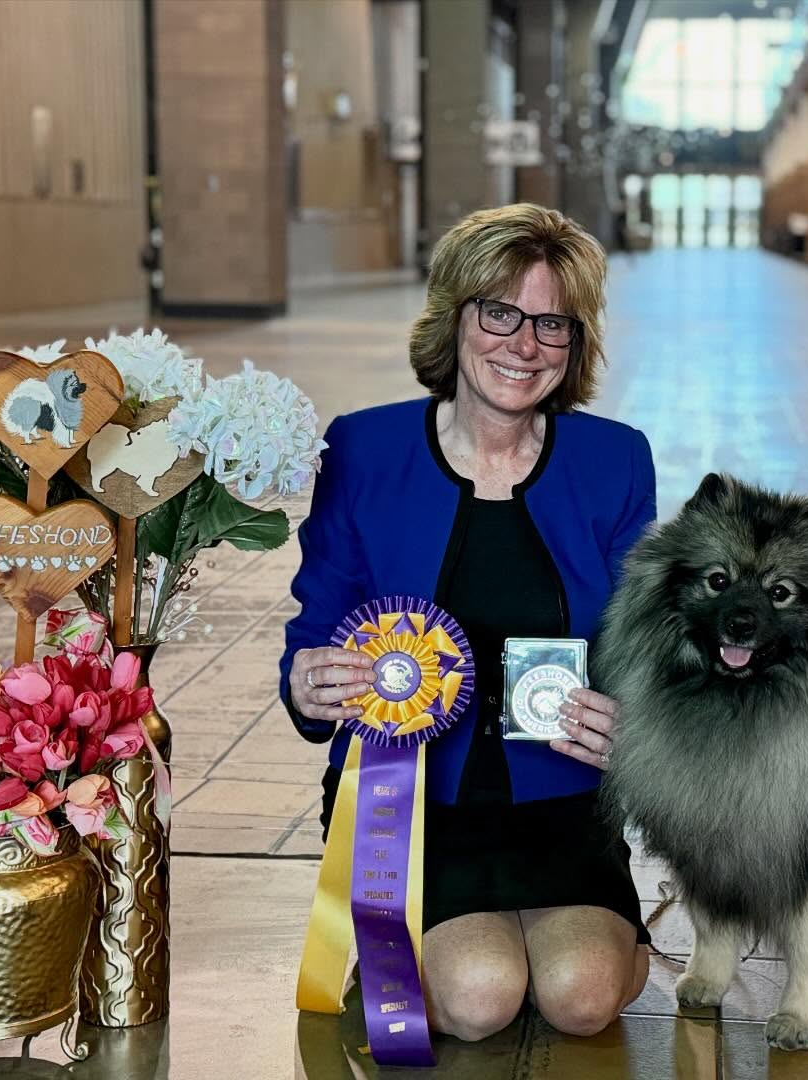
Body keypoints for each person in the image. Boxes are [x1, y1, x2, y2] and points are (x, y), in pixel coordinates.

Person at [279, 204, 655, 1042]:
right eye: (500, 312)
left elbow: (643, 642)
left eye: (551, 322)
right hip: (408, 807)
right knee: (483, 999)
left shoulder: (616, 460)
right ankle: (434, 938)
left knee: (584, 999)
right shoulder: (362, 451)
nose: (523, 344)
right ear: (454, 317)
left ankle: (598, 938)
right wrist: (308, 684)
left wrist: (636, 721)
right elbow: (317, 627)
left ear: (575, 342)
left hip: (563, 800)